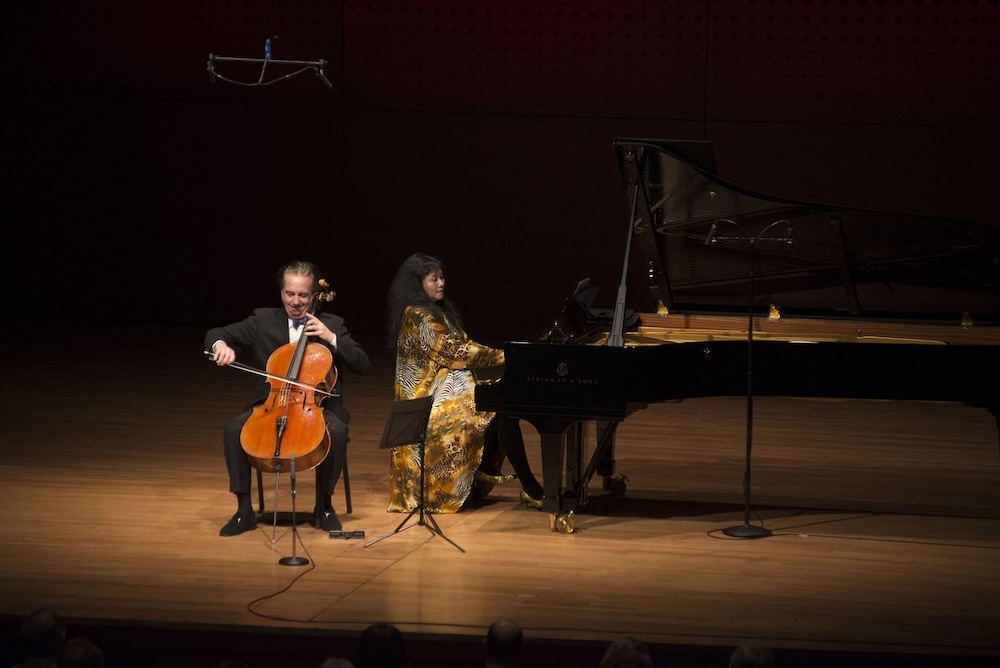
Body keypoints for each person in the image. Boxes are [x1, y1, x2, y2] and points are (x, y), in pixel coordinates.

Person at [206, 260, 371, 536]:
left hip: (317, 406)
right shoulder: (262, 319)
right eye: (289, 294)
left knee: (337, 432)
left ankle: (325, 507)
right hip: (271, 403)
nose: (296, 302)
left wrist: (331, 338)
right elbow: (217, 333)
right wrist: (220, 346)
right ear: (281, 292)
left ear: (313, 295)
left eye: (303, 295)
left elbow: (363, 364)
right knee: (233, 429)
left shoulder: (331, 323)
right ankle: (244, 509)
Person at [385, 252, 543, 513]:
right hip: (428, 401)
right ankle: (526, 485)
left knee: (500, 404)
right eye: (433, 279)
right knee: (499, 404)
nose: (441, 283)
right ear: (417, 283)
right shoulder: (419, 315)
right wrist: (509, 356)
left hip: (445, 391)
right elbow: (456, 351)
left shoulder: (435, 310)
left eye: (442, 277)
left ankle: (504, 476)